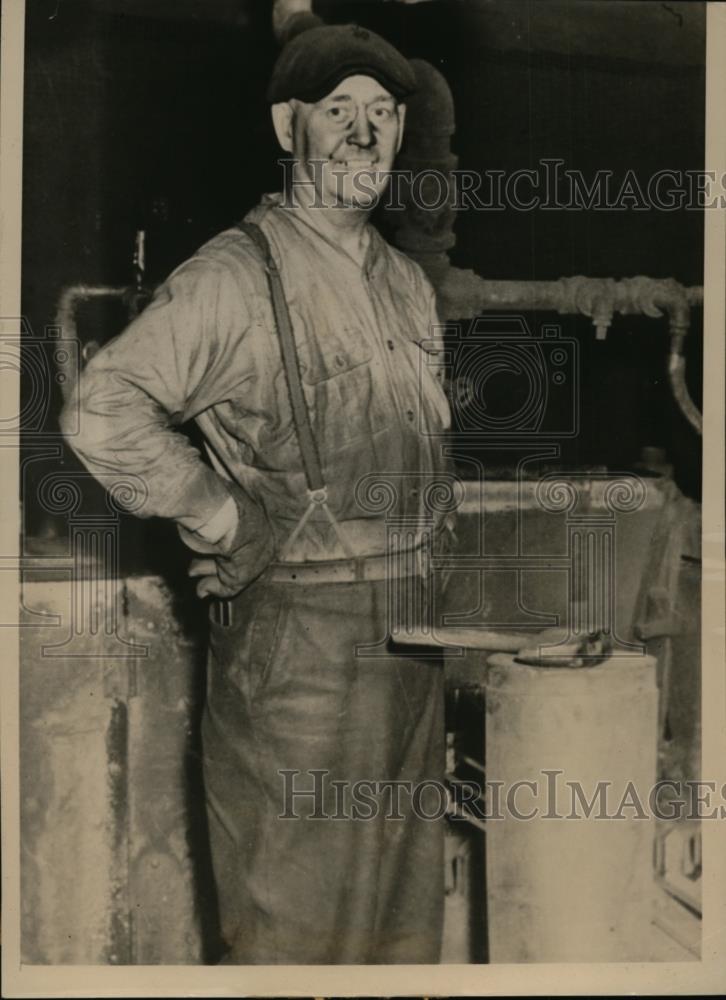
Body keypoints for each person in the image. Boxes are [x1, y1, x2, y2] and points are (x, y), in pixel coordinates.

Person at [61, 23, 454, 964]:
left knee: (401, 938)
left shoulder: (404, 282)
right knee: (293, 939)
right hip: (300, 662)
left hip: (418, 644)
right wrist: (218, 511)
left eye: (383, 115)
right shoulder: (236, 277)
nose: (364, 136)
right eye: (337, 112)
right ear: (290, 128)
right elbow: (100, 409)